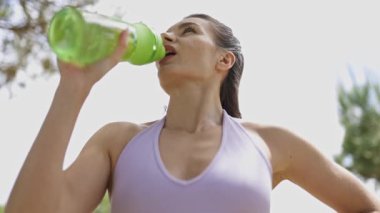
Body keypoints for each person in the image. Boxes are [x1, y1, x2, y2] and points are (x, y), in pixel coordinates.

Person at [5, 13, 380, 213]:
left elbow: (365, 208)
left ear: (224, 59)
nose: (168, 39)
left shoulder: (269, 143)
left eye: (188, 31)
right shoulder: (118, 141)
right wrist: (72, 88)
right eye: (166, 33)